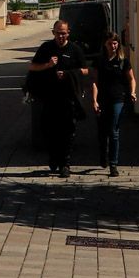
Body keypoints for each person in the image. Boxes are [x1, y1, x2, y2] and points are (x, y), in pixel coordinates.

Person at [27, 21, 86, 177]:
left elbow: (86, 70)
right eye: (58, 33)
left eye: (64, 33)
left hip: (69, 97)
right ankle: (54, 157)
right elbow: (32, 67)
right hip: (50, 96)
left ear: (68, 33)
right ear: (53, 33)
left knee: (68, 131)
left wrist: (69, 74)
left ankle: (65, 164)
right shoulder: (46, 48)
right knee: (50, 130)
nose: (61, 36)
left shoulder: (75, 49)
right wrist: (47, 65)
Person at [90, 31, 136, 176]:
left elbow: (131, 79)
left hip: (118, 99)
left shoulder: (123, 61)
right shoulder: (99, 61)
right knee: (102, 132)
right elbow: (94, 82)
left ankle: (113, 164)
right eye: (110, 43)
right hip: (103, 99)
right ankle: (103, 154)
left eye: (115, 43)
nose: (113, 46)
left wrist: (132, 92)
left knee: (113, 131)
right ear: (105, 44)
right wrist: (94, 100)